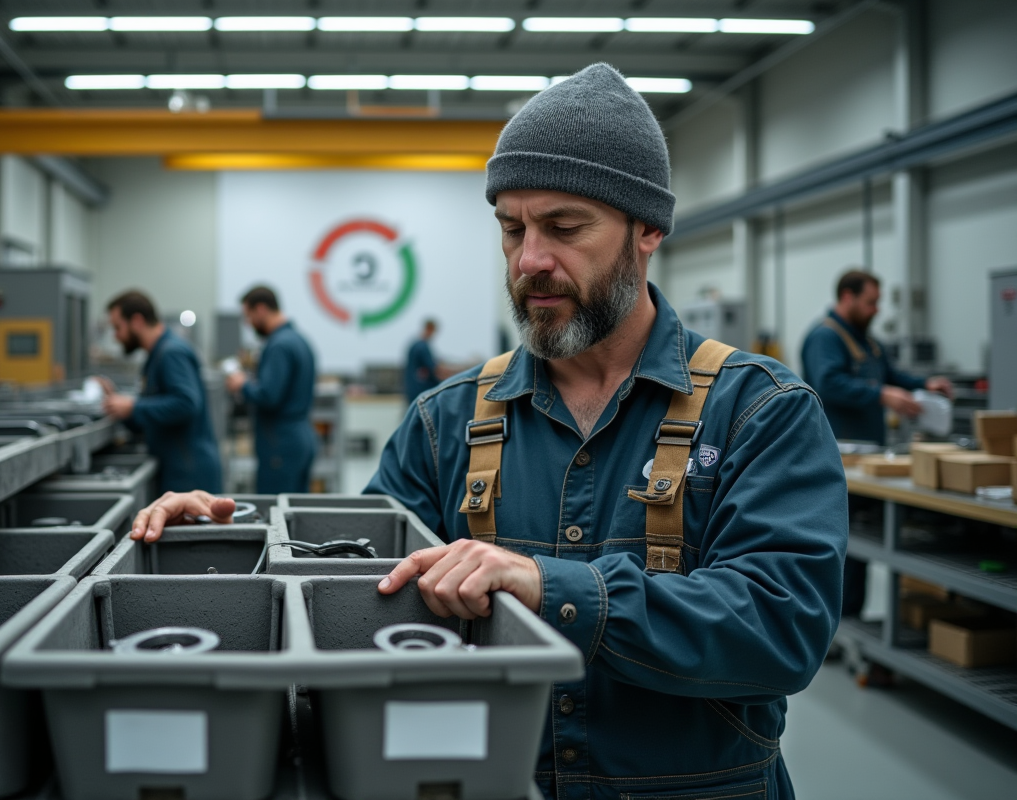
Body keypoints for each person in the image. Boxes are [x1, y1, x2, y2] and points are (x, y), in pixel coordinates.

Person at [129, 64, 845, 800]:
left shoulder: (759, 411)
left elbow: (780, 625)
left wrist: (554, 588)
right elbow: (361, 575)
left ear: (647, 230)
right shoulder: (447, 422)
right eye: (512, 229)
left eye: (564, 227)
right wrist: (229, 538)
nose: (530, 259)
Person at [801, 270, 953, 621]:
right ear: (847, 298)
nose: (876, 310)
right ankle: (834, 624)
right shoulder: (825, 338)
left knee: (861, 547)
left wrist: (924, 384)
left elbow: (892, 374)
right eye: (871, 302)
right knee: (841, 548)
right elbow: (829, 382)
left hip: (869, 463)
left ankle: (852, 618)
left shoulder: (868, 342)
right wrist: (881, 394)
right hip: (837, 461)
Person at [100, 291, 221, 494]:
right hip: (178, 467)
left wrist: (133, 406)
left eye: (118, 327)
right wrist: (123, 409)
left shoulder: (171, 353)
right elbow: (152, 416)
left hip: (188, 474)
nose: (116, 336)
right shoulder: (156, 356)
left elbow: (186, 404)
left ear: (137, 321)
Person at [224, 286, 317, 493]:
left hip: (280, 443)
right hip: (299, 438)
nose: (249, 324)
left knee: (275, 510)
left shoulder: (279, 346)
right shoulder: (299, 340)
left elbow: (269, 395)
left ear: (261, 309)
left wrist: (242, 384)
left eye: (249, 317)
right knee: (294, 511)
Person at [404, 318, 441, 402]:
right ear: (430, 329)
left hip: (412, 389)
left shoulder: (415, 345)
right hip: (420, 391)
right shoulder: (422, 347)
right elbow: (434, 369)